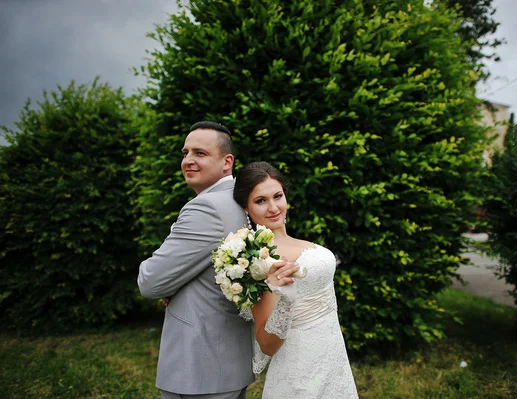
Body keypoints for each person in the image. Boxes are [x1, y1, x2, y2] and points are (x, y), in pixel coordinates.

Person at [137, 122, 298, 399]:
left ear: (227, 162)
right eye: (185, 152)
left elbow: (150, 281)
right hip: (226, 362)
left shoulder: (207, 207)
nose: (188, 160)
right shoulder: (242, 199)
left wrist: (168, 283)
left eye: (200, 153)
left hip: (200, 366)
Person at [233, 161, 359, 399]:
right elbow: (267, 344)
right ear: (246, 208)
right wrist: (286, 300)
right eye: (261, 201)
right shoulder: (260, 260)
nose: (273, 207)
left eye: (277, 196)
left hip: (333, 357)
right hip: (300, 368)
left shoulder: (297, 242)